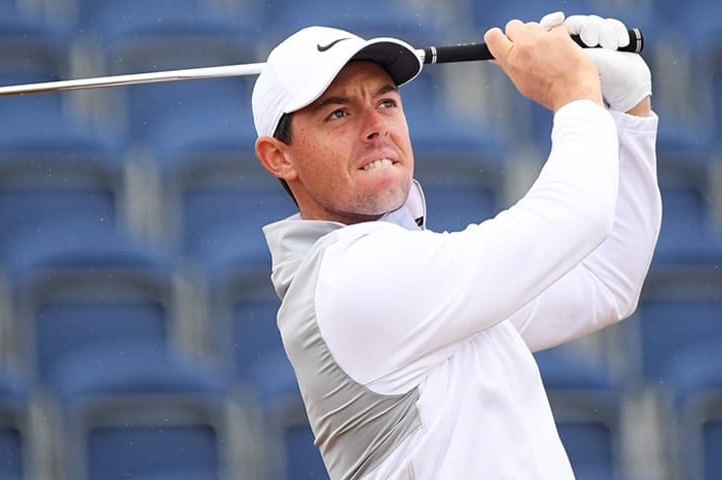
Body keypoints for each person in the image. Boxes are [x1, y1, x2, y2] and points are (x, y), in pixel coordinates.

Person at [251, 11, 660, 480]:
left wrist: (626, 113)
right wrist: (574, 94)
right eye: (339, 113)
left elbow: (605, 281)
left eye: (386, 102)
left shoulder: (411, 272)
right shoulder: (346, 276)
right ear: (279, 157)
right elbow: (576, 217)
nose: (375, 126)